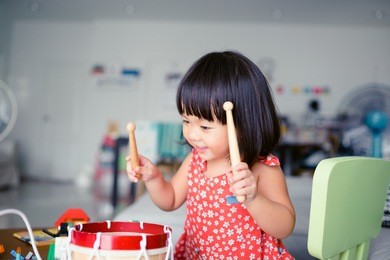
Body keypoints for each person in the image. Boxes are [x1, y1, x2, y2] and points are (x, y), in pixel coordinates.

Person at [127, 51, 295, 259]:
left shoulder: (262, 168)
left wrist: (253, 199)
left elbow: (285, 226)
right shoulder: (195, 161)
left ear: (245, 123)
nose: (192, 134)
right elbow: (169, 200)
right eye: (186, 121)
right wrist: (153, 178)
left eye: (205, 127)